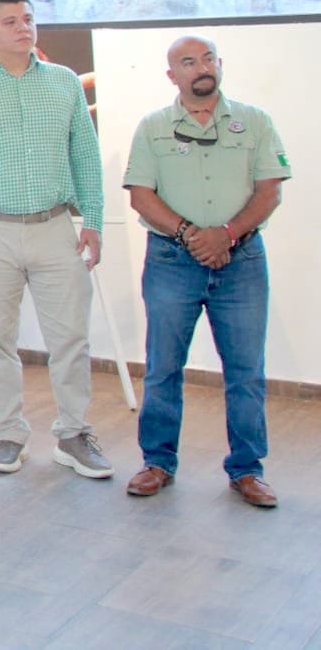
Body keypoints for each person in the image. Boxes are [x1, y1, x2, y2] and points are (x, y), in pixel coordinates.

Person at [0, 0, 108, 478]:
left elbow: (85, 156)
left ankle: (73, 434)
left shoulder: (64, 82)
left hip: (54, 227)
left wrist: (93, 220)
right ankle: (9, 435)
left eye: (28, 19)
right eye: (10, 21)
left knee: (71, 336)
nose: (23, 28)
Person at [121, 37, 290, 508]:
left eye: (209, 58)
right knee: (163, 367)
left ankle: (247, 469)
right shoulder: (153, 127)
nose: (202, 67)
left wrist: (227, 235)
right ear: (172, 75)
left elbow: (269, 191)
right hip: (172, 262)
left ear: (220, 65)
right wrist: (193, 235)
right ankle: (157, 462)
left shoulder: (255, 121)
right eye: (189, 61)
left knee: (246, 371)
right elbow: (141, 195)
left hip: (242, 263)